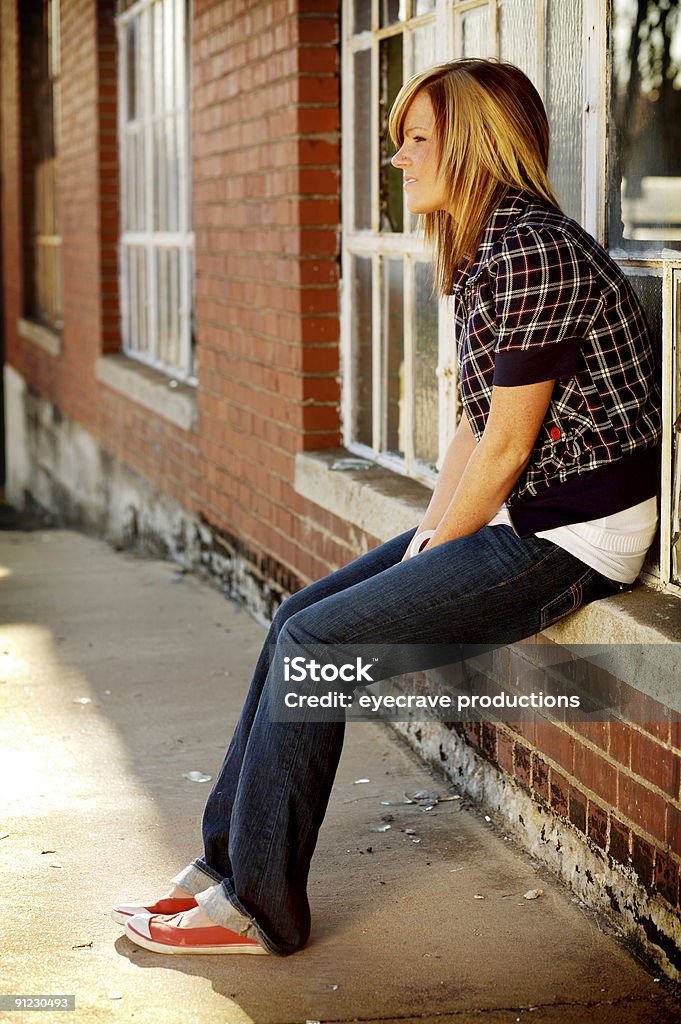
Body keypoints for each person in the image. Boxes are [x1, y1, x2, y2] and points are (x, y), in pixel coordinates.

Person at [113, 59, 661, 957]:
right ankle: (223, 871)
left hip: (571, 533)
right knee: (297, 617)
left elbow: (509, 448)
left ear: (475, 146)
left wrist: (441, 541)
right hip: (518, 514)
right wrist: (427, 541)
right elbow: (472, 422)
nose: (397, 159)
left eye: (416, 140)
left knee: (318, 648)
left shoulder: (531, 248)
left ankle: (259, 910)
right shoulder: (484, 245)